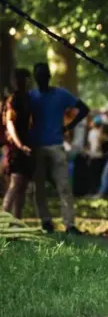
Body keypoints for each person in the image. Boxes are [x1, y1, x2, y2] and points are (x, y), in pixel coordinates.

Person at [29, 62, 89, 234]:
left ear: (48, 77)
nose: (41, 78)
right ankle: (46, 221)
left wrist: (68, 127)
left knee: (63, 186)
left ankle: (69, 224)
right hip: (37, 146)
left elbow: (84, 109)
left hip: (55, 145)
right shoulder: (31, 96)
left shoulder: (60, 94)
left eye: (43, 75)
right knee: (39, 187)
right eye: (38, 75)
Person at [2, 69, 34, 219]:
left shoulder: (28, 98)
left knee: (22, 187)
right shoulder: (13, 100)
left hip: (27, 146)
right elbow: (10, 124)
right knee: (15, 185)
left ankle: (16, 222)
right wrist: (20, 146)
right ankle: (3, 221)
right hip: (16, 148)